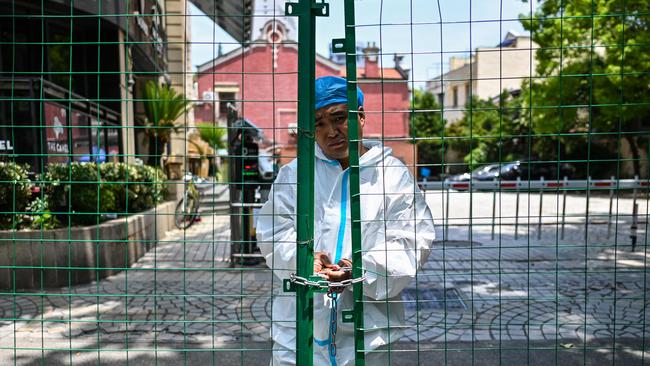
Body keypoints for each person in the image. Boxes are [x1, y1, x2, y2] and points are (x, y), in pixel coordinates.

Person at [256, 76, 435, 365]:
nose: (332, 132)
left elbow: (413, 238)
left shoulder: (391, 176)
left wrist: (360, 268)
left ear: (361, 116)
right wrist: (303, 259)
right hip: (301, 326)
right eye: (319, 123)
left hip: (369, 329)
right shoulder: (295, 175)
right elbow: (272, 231)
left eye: (339, 118)